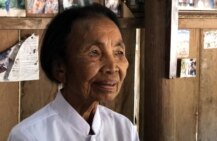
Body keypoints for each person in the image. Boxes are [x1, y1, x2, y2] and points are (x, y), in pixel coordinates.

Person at [8, 4, 139, 141]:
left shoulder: (123, 130)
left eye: (118, 52)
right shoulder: (29, 136)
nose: (112, 67)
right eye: (94, 52)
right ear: (60, 67)